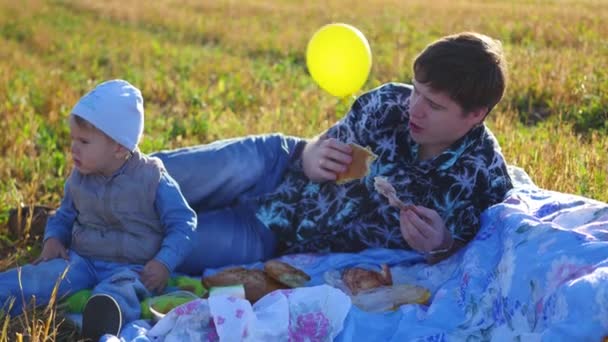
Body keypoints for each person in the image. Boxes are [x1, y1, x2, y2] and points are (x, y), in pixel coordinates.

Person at [153, 32, 513, 275]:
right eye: (416, 90)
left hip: (273, 235)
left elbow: (477, 260)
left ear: (475, 114)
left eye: (433, 105)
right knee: (147, 177)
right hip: (273, 164)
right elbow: (321, 143)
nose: (413, 108)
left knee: (149, 243)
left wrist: (443, 245)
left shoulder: (485, 180)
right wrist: (311, 155)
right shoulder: (388, 102)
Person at [0, 80, 197, 341]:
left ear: (118, 147)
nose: (73, 148)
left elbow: (183, 222)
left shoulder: (152, 178)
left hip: (133, 267)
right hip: (83, 260)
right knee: (41, 278)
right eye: (73, 139)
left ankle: (103, 316)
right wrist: (53, 238)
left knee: (125, 290)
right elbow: (64, 215)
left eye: (84, 141)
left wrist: (163, 262)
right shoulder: (79, 177)